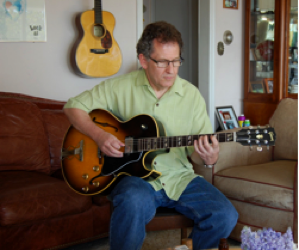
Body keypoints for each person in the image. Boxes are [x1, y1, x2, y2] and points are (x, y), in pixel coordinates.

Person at [64, 21, 238, 250]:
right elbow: (72, 107)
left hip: (179, 177)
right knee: (132, 201)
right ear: (144, 60)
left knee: (225, 215)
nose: (172, 70)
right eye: (163, 62)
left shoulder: (192, 96)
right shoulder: (120, 87)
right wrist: (99, 136)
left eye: (176, 61)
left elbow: (196, 155)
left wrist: (209, 156)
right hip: (136, 180)